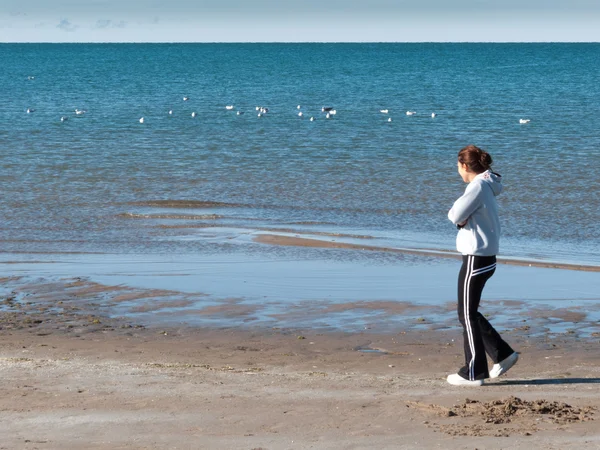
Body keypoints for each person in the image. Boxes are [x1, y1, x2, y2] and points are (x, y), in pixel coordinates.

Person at [446, 145, 519, 386]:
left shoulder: (477, 185)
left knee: (465, 313)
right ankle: (503, 354)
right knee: (468, 312)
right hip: (485, 258)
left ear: (465, 166)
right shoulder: (486, 184)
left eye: (458, 165)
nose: (457, 170)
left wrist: (462, 219)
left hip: (476, 258)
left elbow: (455, 215)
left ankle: (474, 372)